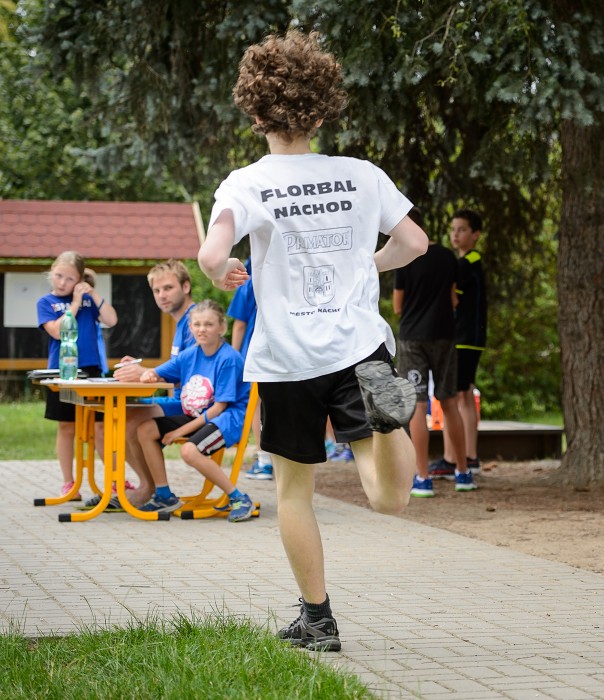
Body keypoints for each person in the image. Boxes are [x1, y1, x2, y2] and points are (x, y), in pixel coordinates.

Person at [197, 29, 427, 652]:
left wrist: (221, 269)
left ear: (253, 111)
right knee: (386, 500)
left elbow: (212, 250)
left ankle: (318, 620)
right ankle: (392, 421)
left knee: (295, 491)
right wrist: (365, 268)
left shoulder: (246, 183)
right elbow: (415, 245)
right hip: (360, 349)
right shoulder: (360, 174)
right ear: (322, 110)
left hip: (287, 357)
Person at [134, 300, 255, 521]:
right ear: (190, 328)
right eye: (197, 324)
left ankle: (238, 497)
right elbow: (157, 372)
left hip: (226, 420)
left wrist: (179, 432)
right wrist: (150, 374)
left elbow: (219, 407)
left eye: (208, 324)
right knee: (145, 430)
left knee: (189, 451)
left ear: (222, 328)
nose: (202, 329)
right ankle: (163, 495)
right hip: (198, 414)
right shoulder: (190, 354)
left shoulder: (228, 359)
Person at [107, 259, 198, 508]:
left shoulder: (196, 321)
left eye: (168, 288)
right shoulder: (182, 322)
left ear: (186, 286)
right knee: (119, 415)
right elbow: (179, 368)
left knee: (134, 419)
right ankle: (147, 486)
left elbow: (196, 374)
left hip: (196, 406)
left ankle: (156, 490)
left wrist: (146, 372)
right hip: (179, 400)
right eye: (157, 291)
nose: (161, 296)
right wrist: (143, 369)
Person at [393, 221, 475, 497]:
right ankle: (463, 472)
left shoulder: (404, 257)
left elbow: (397, 306)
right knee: (449, 402)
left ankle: (422, 476)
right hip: (444, 334)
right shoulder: (447, 256)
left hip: (412, 337)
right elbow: (453, 298)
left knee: (418, 405)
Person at [36, 251, 118, 498]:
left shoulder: (88, 300)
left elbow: (112, 320)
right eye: (59, 276)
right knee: (66, 427)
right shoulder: (46, 302)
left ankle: (115, 481)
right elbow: (57, 332)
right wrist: (73, 303)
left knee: (101, 427)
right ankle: (69, 483)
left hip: (91, 370)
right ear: (52, 272)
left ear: (80, 279)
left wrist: (91, 293)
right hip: (61, 372)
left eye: (69, 279)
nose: (62, 282)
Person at [428, 209, 487, 479]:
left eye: (462, 229)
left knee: (456, 396)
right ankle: (469, 456)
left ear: (475, 235)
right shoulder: (470, 262)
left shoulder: (467, 263)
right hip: (470, 338)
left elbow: (451, 296)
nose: (455, 234)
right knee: (464, 395)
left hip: (464, 339)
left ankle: (456, 458)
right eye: (453, 229)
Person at [228, 258, 272, 481]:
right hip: (286, 351)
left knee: (256, 405)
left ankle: (264, 461)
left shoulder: (248, 279)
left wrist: (235, 359)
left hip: (255, 353)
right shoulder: (284, 273)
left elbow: (239, 323)